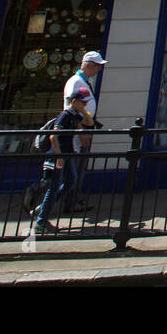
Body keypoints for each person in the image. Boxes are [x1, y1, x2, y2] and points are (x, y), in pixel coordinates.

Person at [31, 95, 87, 233]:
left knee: (70, 181)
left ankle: (42, 209)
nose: (84, 105)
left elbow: (87, 126)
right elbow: (53, 136)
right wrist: (59, 156)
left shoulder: (75, 116)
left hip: (68, 154)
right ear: (74, 101)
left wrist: (85, 114)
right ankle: (41, 222)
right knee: (54, 186)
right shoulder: (64, 115)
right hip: (58, 156)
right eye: (82, 103)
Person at [61, 50, 104, 213]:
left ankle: (73, 200)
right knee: (73, 169)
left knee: (79, 168)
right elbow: (70, 109)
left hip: (85, 128)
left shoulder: (87, 81)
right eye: (97, 66)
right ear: (87, 66)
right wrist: (81, 130)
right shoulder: (75, 82)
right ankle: (39, 192)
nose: (99, 69)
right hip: (76, 132)